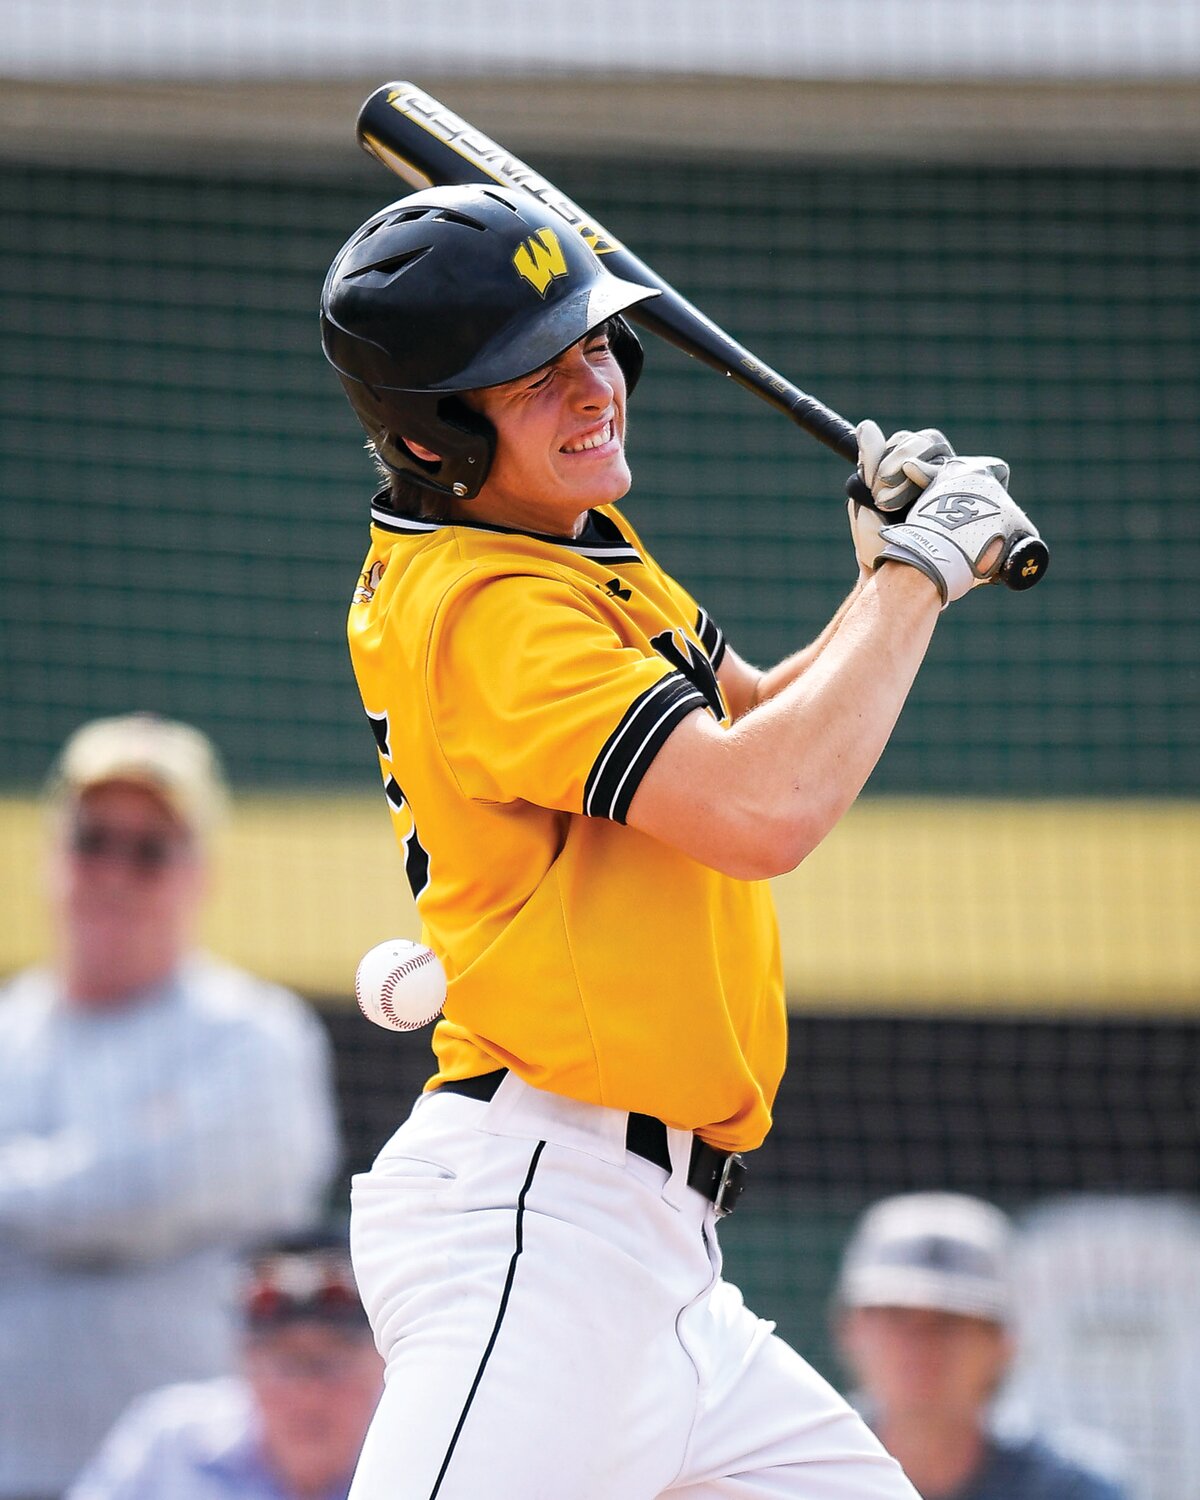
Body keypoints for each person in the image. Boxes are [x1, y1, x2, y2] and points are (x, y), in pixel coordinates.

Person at [317, 182, 1044, 1499]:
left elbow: (762, 727)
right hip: (543, 1229)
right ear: (432, 441)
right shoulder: (487, 608)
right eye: (531, 377)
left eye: (591, 342)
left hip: (654, 1256)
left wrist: (884, 571)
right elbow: (761, 812)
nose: (590, 384)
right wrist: (914, 577)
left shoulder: (564, 544)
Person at [0, 713, 342, 1500]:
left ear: (200, 872)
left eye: (150, 851)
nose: (115, 871)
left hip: (192, 1483)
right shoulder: (12, 1032)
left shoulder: (255, 1036)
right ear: (53, 853)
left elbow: (126, 1200)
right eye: (93, 840)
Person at [833, 1192, 1129, 1500]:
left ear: (1004, 1343)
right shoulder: (796, 1462)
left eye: (950, 1321)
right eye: (896, 1316)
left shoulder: (1074, 1489)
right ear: (849, 1329)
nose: (921, 1343)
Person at [67, 1230, 383, 1500]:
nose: (306, 1392)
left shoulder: (422, 1454)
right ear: (244, 1361)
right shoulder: (169, 1442)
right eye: (283, 1364)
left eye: (331, 1363)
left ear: (383, 1363)